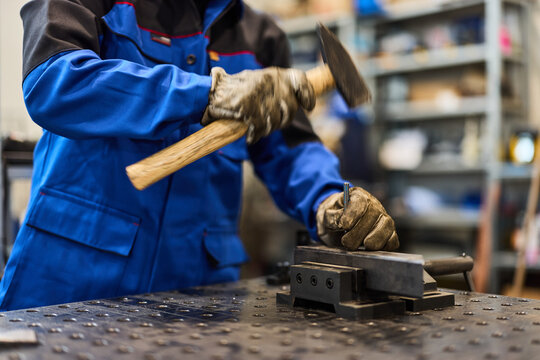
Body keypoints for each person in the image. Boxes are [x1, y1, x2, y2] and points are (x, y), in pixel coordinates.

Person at [0, 0, 398, 311]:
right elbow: (54, 81)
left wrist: (327, 199)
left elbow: (290, 148)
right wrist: (207, 94)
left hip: (195, 291)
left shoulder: (260, 35)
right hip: (69, 274)